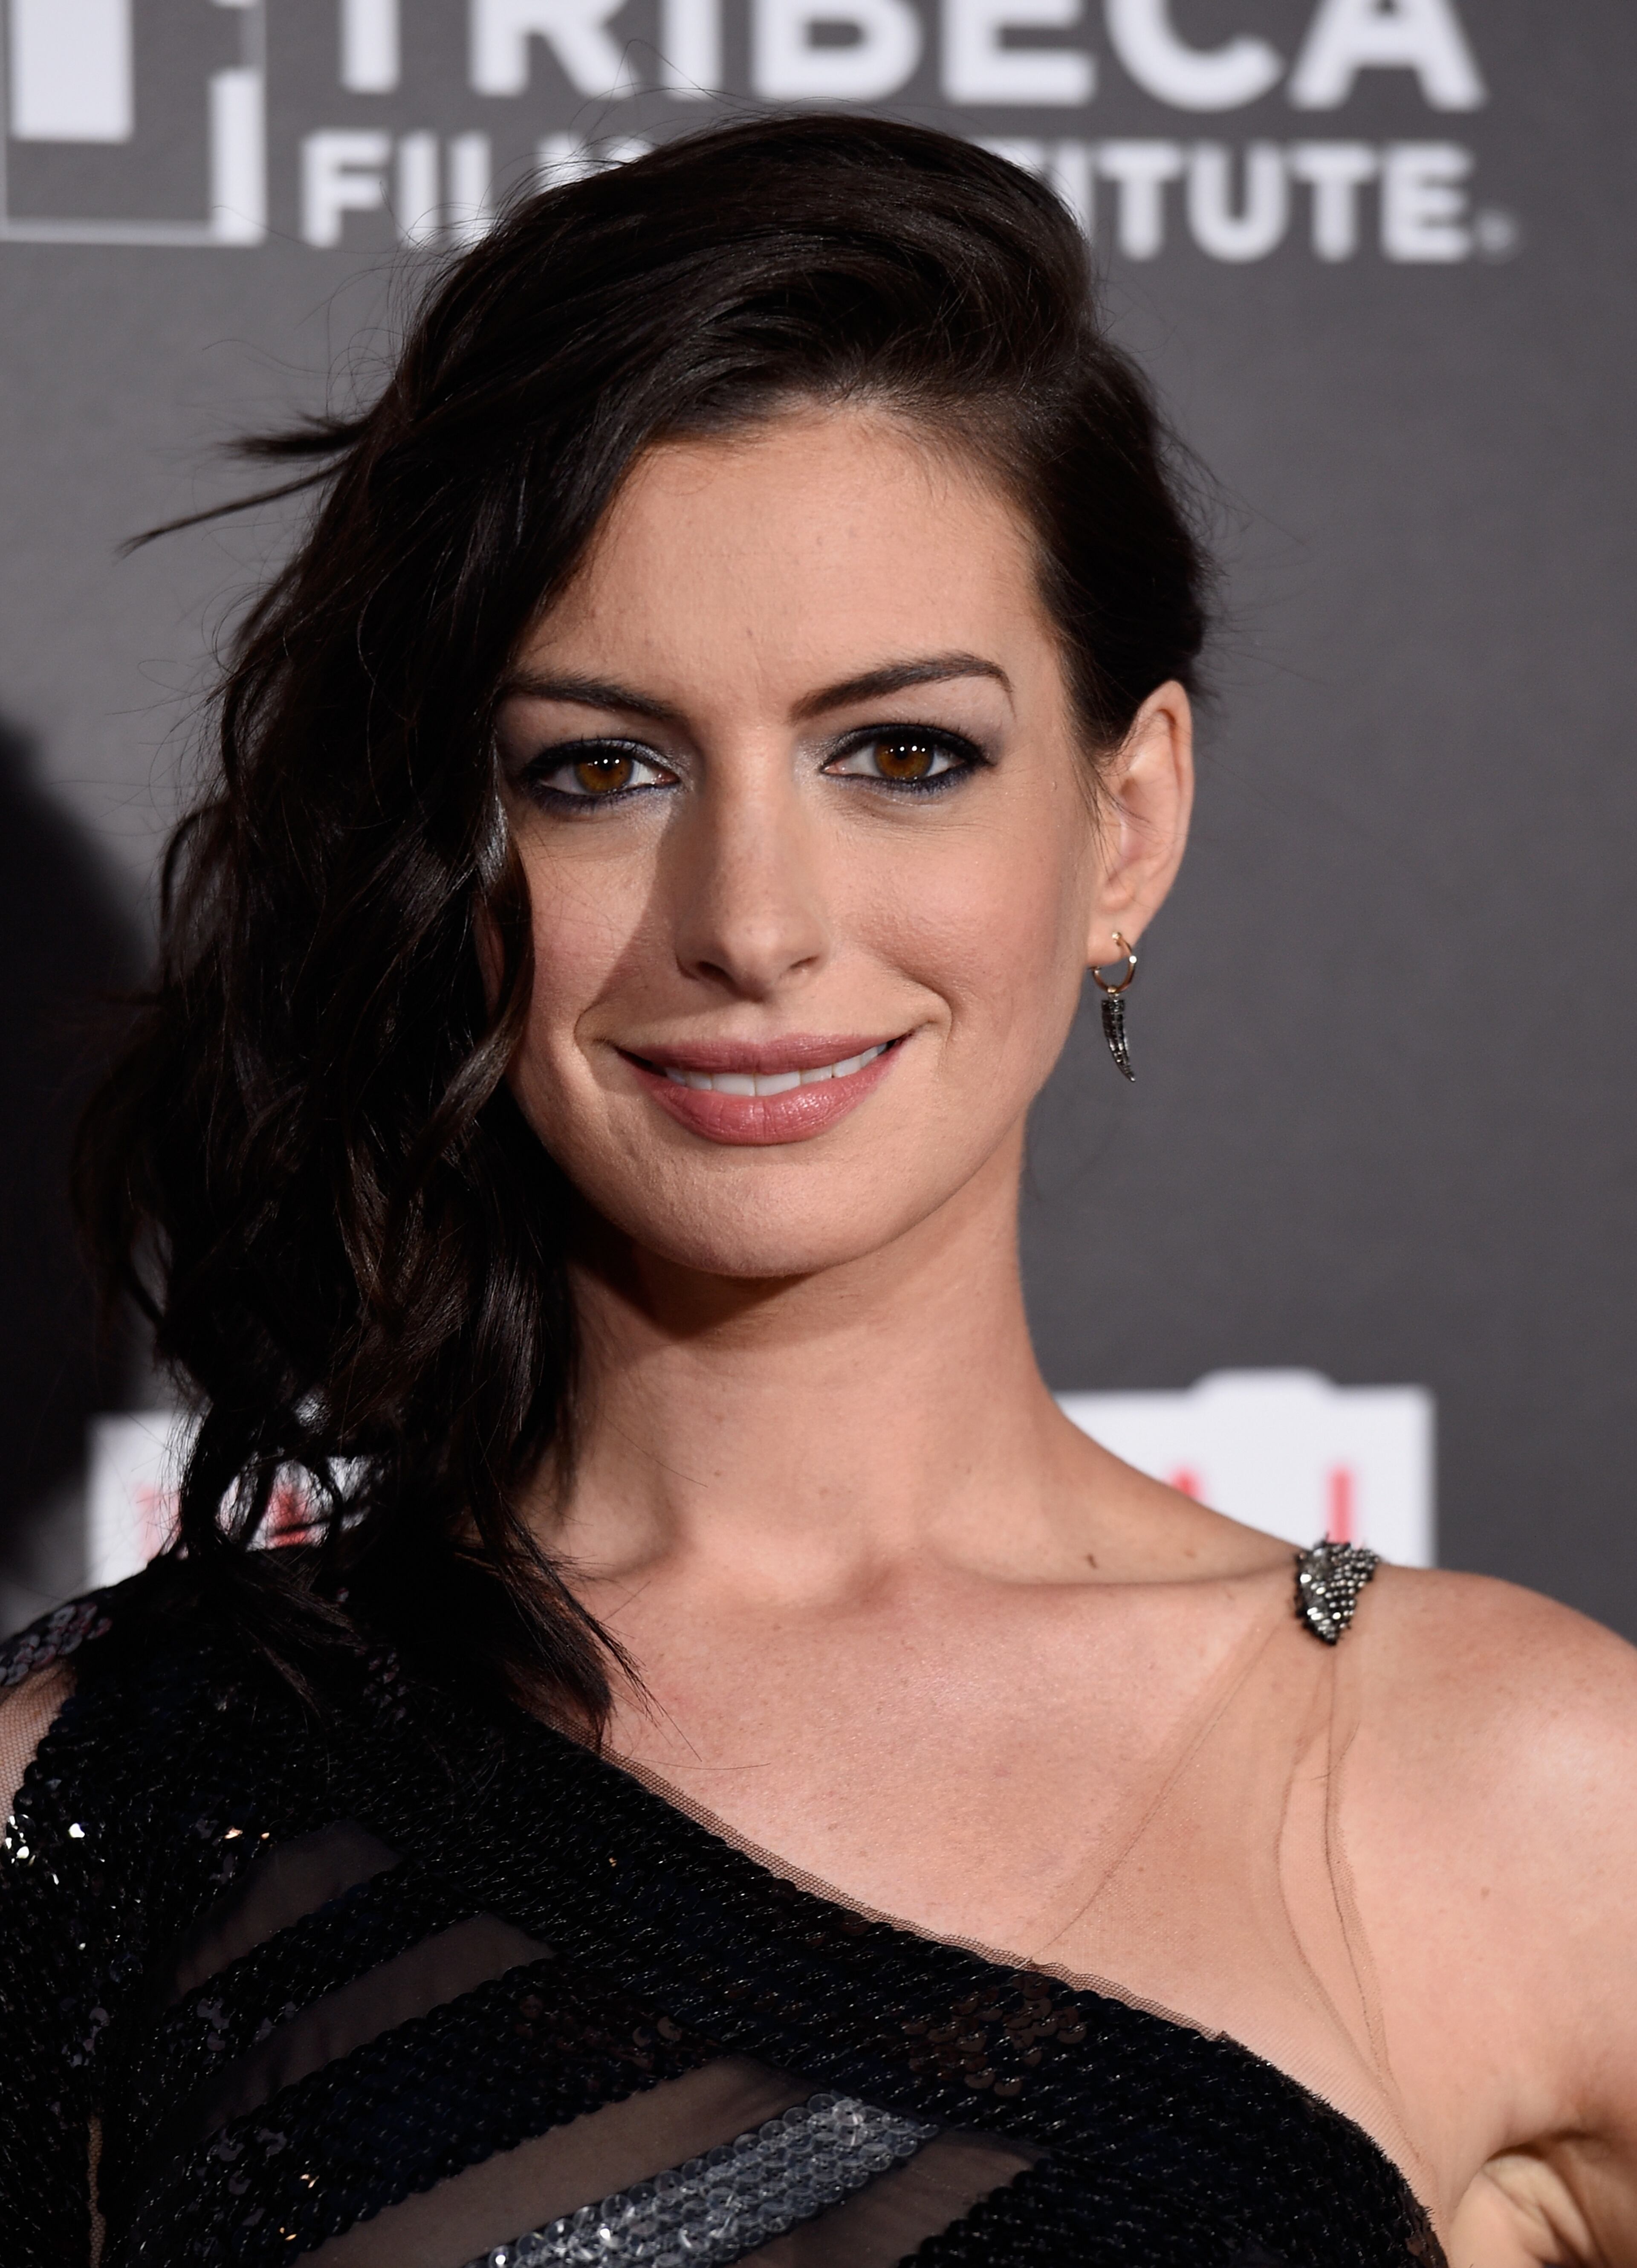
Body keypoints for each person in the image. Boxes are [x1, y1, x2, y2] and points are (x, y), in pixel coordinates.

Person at [1, 113, 1633, 2268]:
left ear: (1126, 823)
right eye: (601, 770)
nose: (752, 921)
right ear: (452, 867)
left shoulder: (1510, 1790)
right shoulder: (97, 1788)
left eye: (903, 754)